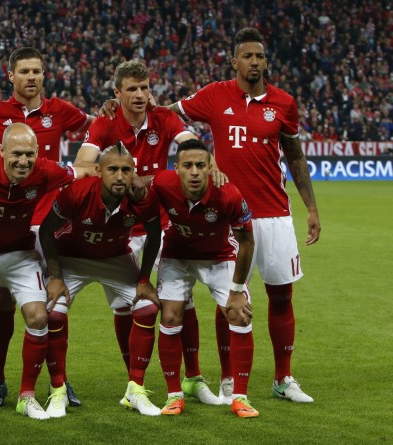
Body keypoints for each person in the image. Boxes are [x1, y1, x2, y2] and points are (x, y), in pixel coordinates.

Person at [169, 27, 321, 403]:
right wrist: (197, 152)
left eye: (260, 56)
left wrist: (312, 208)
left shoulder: (283, 103)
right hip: (231, 217)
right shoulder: (214, 94)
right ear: (234, 61)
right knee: (230, 299)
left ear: (266, 61)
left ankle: (283, 379)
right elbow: (166, 115)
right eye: (248, 56)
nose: (255, 62)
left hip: (275, 214)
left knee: (281, 296)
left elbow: (295, 156)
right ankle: (226, 378)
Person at [78, 60, 222, 405]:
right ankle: (134, 383)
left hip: (160, 225)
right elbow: (83, 165)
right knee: (126, 307)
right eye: (132, 89)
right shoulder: (104, 124)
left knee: (182, 301)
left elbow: (190, 144)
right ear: (117, 93)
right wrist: (125, 181)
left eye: (145, 88)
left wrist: (206, 160)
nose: (140, 95)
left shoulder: (163, 119)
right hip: (121, 229)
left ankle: (194, 378)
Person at [0, 47, 94, 408]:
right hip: (8, 220)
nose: (31, 77)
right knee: (4, 299)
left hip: (50, 221)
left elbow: (97, 128)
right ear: (10, 75)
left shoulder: (61, 110)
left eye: (37, 71)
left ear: (44, 75)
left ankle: (60, 381)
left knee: (55, 302)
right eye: (24, 71)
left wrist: (107, 113)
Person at [0, 123, 89, 420]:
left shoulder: (46, 171)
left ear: (37, 153)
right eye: (16, 154)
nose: (23, 161)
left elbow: (85, 170)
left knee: (38, 316)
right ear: (1, 152)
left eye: (28, 154)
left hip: (20, 254)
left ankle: (26, 395)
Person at [37, 143, 162, 418]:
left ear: (133, 172)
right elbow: (46, 232)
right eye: (113, 170)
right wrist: (56, 277)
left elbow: (155, 235)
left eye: (126, 170)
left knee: (147, 307)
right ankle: (58, 391)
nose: (120, 176)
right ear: (98, 171)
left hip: (116, 257)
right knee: (53, 314)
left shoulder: (142, 197)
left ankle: (135, 389)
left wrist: (143, 279)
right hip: (73, 257)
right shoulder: (75, 193)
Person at [151, 139, 258, 418]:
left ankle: (240, 397)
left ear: (211, 167)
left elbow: (247, 242)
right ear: (177, 169)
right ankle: (174, 395)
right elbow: (140, 183)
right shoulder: (163, 183)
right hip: (178, 255)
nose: (195, 171)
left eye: (201, 165)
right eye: (188, 166)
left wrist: (236, 290)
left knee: (240, 313)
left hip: (219, 256)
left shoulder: (229, 195)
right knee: (170, 316)